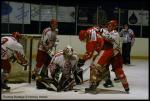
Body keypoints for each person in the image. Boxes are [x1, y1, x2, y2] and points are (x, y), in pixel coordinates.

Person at [78, 26, 114, 93]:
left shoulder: (90, 41)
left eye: (83, 40)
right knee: (101, 65)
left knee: (94, 66)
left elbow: (89, 54)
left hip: (106, 49)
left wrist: (82, 60)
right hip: (110, 47)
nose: (84, 41)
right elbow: (98, 27)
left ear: (86, 37)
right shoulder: (90, 30)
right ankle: (108, 81)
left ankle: (93, 85)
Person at [100, 20, 130, 93]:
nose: (109, 27)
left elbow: (109, 38)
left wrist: (101, 33)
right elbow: (103, 32)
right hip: (108, 54)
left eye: (110, 25)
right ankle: (108, 81)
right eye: (108, 25)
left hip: (115, 55)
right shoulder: (107, 31)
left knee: (118, 71)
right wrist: (98, 29)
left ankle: (126, 86)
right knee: (103, 67)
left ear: (114, 26)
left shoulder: (116, 34)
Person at [32, 19, 59, 85]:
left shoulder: (56, 31)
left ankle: (43, 74)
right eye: (54, 24)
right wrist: (49, 51)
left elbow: (55, 39)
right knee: (39, 63)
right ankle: (34, 74)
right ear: (51, 24)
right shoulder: (47, 31)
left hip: (48, 49)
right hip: (42, 49)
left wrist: (55, 43)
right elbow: (44, 43)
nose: (55, 25)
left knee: (47, 62)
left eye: (56, 24)